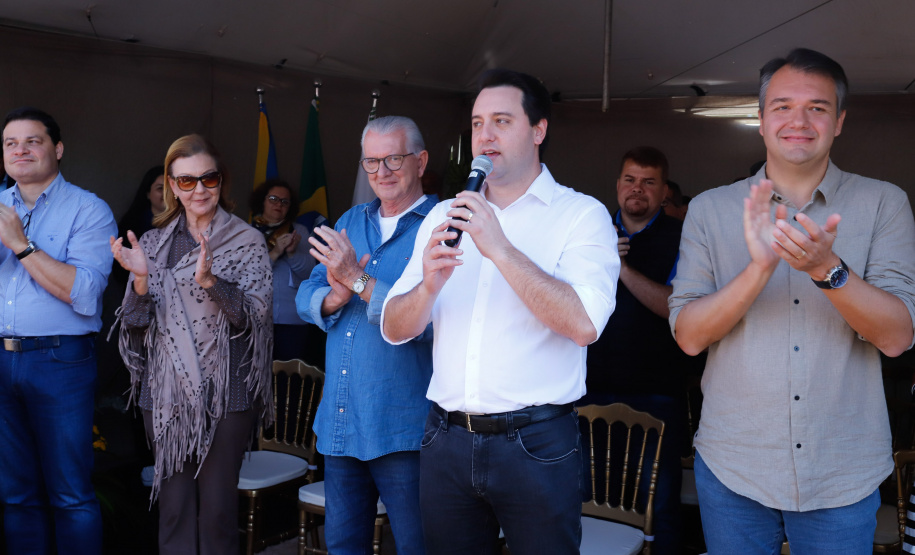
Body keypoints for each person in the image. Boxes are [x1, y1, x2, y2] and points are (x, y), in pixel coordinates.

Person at [669, 48, 915, 554]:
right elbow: (689, 338)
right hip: (734, 464)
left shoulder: (884, 203)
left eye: (817, 108)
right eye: (781, 106)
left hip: (842, 468)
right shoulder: (710, 209)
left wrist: (827, 270)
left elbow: (897, 338)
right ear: (759, 120)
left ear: (839, 121)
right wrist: (759, 268)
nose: (798, 120)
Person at [381, 69, 619, 554]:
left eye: (502, 121)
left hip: (536, 444)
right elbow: (393, 327)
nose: (485, 135)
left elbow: (584, 325)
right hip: (446, 440)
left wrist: (500, 248)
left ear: (538, 130)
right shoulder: (444, 216)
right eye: (477, 123)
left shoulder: (581, 215)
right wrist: (427, 287)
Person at [112, 134, 273, 555]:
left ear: (222, 180)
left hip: (226, 396)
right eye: (186, 181)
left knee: (218, 514)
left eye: (208, 178)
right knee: (174, 510)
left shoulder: (248, 241)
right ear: (171, 184)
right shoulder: (151, 243)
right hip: (164, 395)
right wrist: (142, 282)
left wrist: (210, 282)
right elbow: (133, 326)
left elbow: (254, 320)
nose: (199, 189)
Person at [296, 115, 436, 554]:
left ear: (421, 161)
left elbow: (433, 323)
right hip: (342, 422)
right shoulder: (351, 221)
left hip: (403, 427)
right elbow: (307, 292)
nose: (382, 172)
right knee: (343, 547)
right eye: (371, 162)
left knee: (417, 546)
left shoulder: (442, 227)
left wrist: (356, 280)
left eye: (394, 158)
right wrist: (335, 297)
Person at [0, 107, 116, 554]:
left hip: (60, 361)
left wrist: (20, 246)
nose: (20, 150)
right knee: (14, 496)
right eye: (11, 143)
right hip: (2, 357)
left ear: (57, 149)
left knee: (70, 494)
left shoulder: (88, 209)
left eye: (33, 141)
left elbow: (86, 294)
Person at [583, 146, 692, 554]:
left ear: (664, 191)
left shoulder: (683, 237)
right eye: (630, 180)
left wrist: (621, 268)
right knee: (588, 504)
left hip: (656, 392)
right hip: (588, 388)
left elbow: (674, 308)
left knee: (657, 509)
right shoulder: (591, 229)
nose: (637, 190)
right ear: (617, 185)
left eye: (648, 182)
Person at [249, 178, 320, 362]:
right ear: (262, 201)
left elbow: (309, 274)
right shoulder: (248, 233)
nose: (278, 204)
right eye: (273, 199)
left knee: (289, 382)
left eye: (284, 201)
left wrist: (292, 253)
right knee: (259, 377)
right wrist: (275, 252)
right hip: (258, 319)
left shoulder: (300, 232)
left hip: (294, 319)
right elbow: (250, 277)